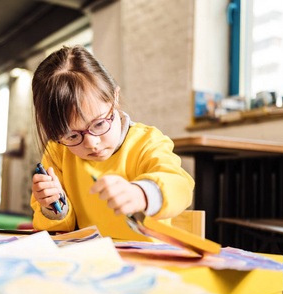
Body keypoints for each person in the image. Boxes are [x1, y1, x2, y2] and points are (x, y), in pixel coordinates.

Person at [31, 45, 195, 241]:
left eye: (99, 123)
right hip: (89, 259)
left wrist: (141, 193)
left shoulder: (147, 142)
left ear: (114, 98)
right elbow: (57, 232)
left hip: (146, 260)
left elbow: (181, 187)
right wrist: (53, 208)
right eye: (72, 136)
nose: (92, 143)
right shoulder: (58, 151)